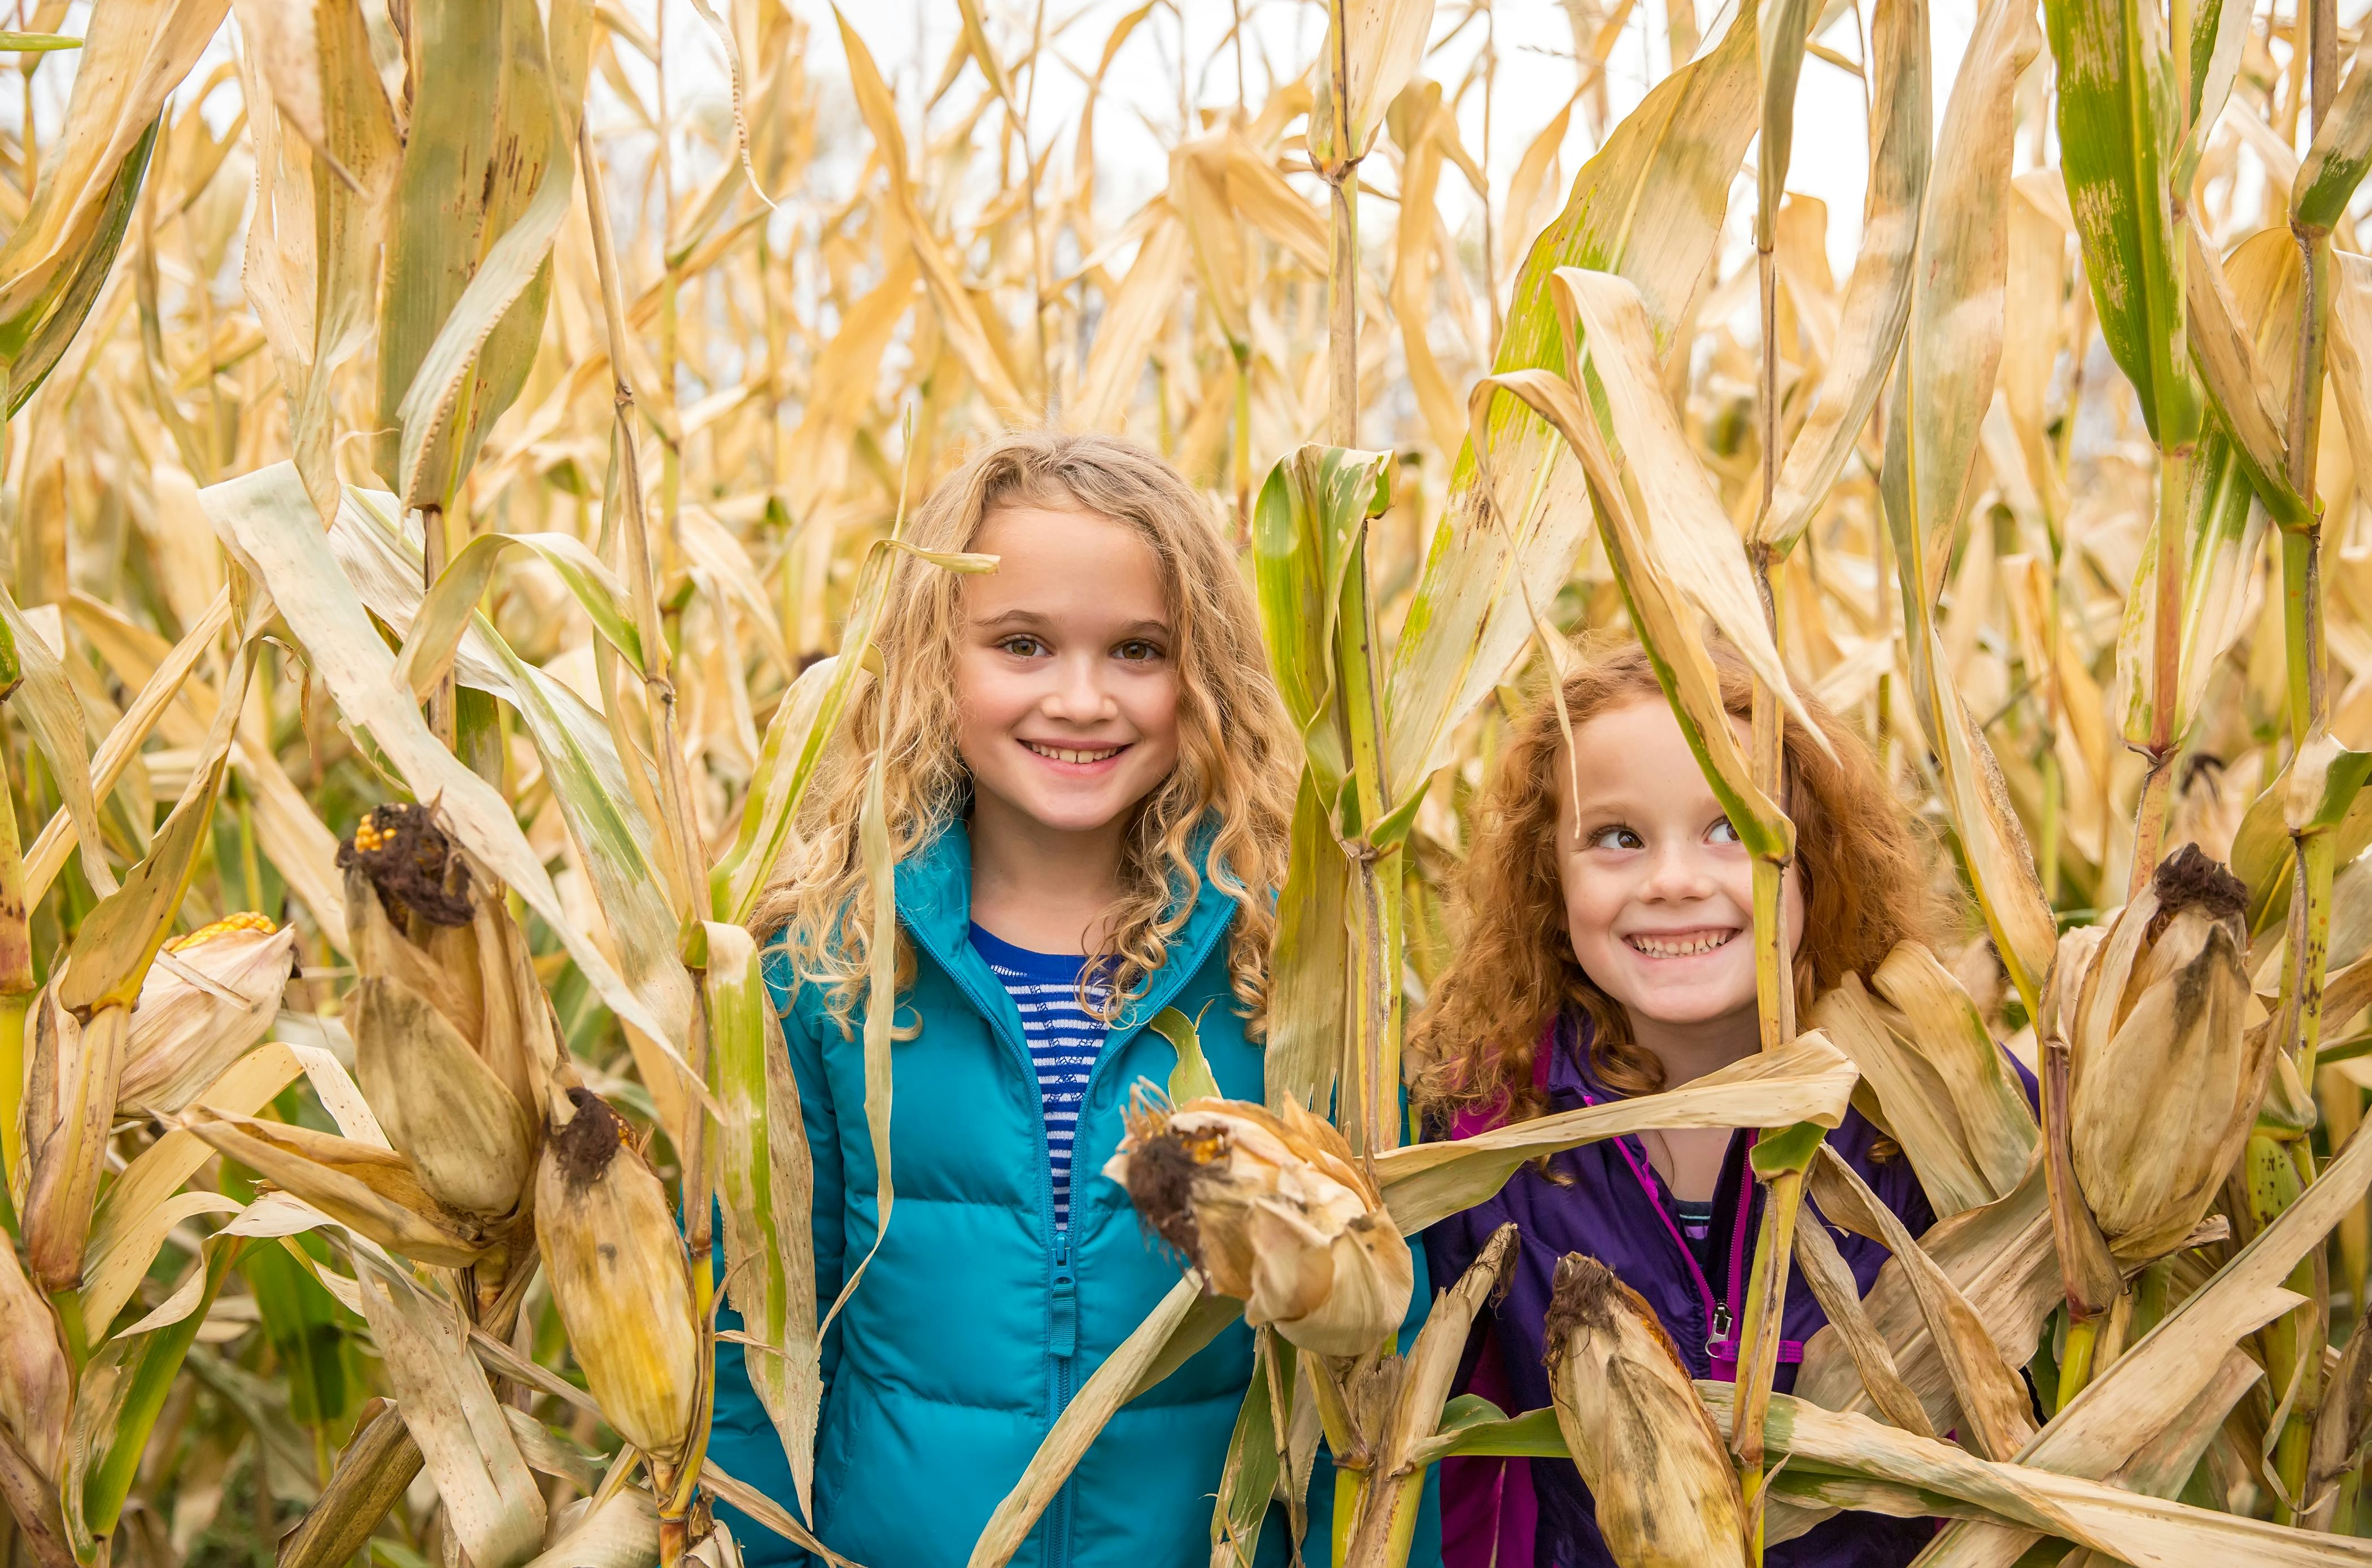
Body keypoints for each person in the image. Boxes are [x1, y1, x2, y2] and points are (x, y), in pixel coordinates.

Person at [709, 431, 1429, 1568]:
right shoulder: (825, 971)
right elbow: (757, 1338)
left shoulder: (1292, 969)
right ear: (933, 660)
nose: (1081, 698)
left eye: (1138, 649)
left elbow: (1380, 1357)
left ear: (1202, 676)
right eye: (1023, 644)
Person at [1414, 638, 1993, 1568]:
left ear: (1816, 860)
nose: (1675, 880)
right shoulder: (1484, 1134)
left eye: (1730, 828)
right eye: (1617, 838)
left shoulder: (1933, 1126)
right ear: (1547, 880)